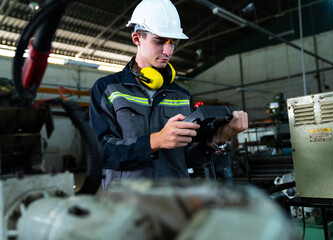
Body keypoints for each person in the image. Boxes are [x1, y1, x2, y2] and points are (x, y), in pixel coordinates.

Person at [89, 0, 248, 189]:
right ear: (137, 39)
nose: (168, 51)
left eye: (173, 42)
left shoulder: (181, 94)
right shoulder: (108, 89)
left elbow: (187, 158)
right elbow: (100, 153)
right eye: (159, 41)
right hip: (127, 205)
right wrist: (154, 141)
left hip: (174, 203)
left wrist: (219, 138)